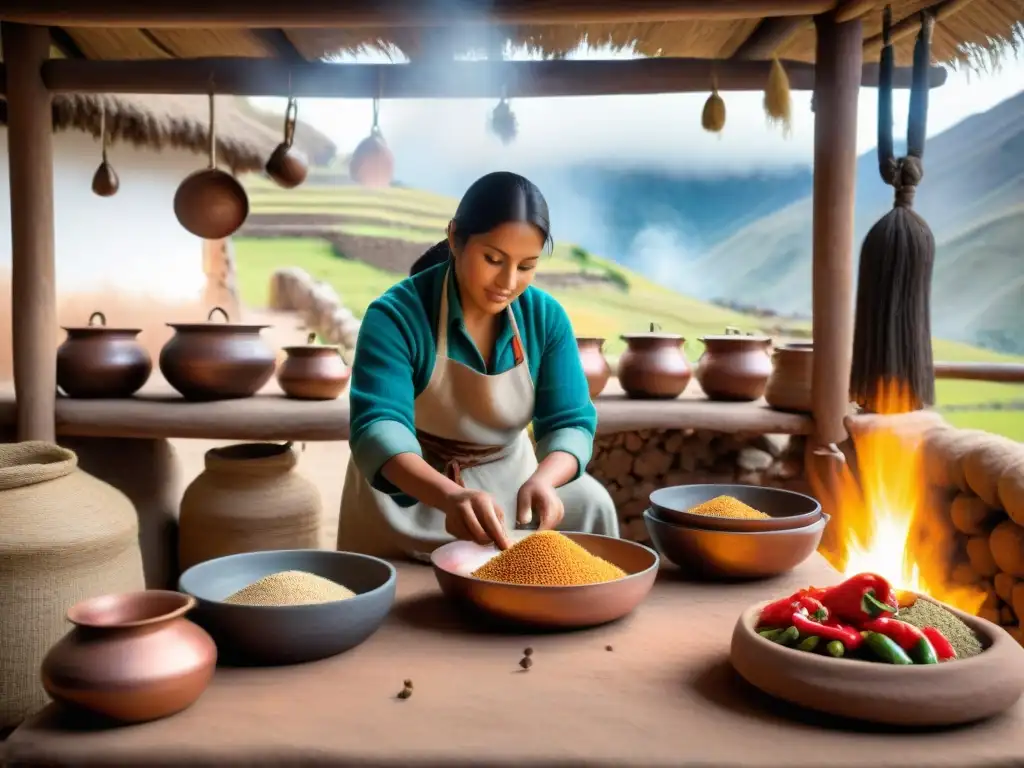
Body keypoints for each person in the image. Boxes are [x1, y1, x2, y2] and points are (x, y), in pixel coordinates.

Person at [337, 171, 619, 560]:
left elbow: (570, 421)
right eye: (493, 259)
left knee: (592, 503)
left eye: (526, 266)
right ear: (455, 237)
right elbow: (378, 426)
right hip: (411, 486)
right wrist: (450, 496)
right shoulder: (396, 315)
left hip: (511, 476)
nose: (507, 281)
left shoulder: (545, 318)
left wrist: (543, 479)